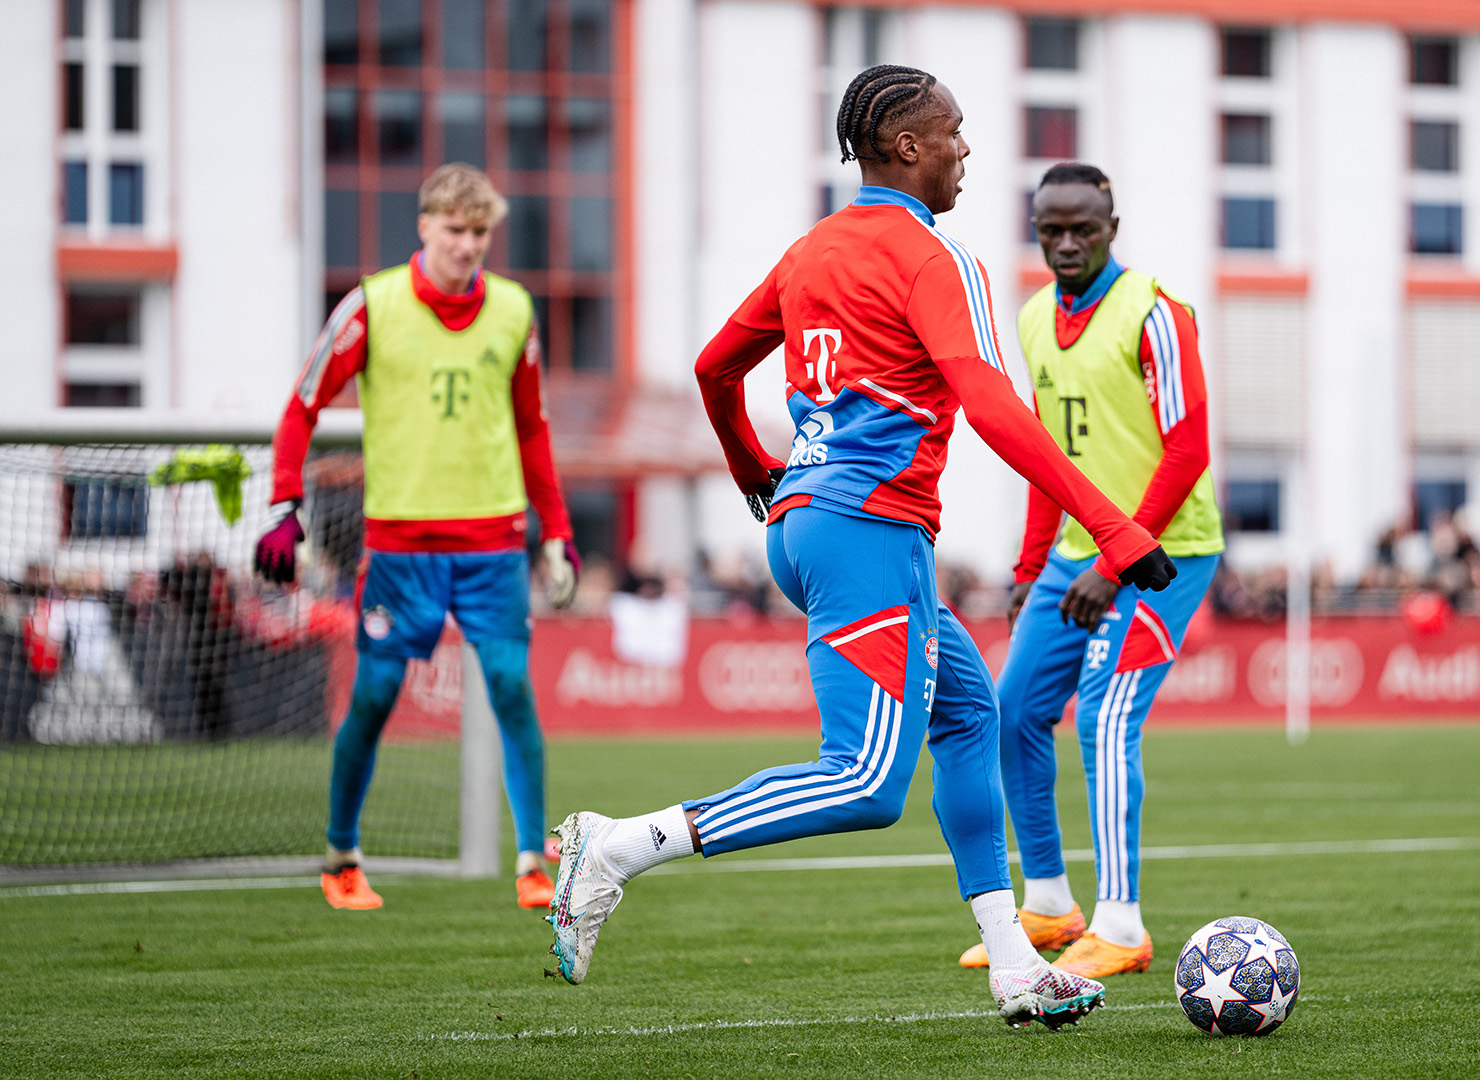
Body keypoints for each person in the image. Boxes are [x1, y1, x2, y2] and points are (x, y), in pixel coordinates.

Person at [543, 65, 1175, 1028]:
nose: (967, 148)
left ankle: (1015, 963)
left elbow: (717, 367)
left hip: (817, 527)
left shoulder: (813, 250)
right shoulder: (936, 257)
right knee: (869, 782)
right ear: (907, 147)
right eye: (955, 132)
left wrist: (755, 466)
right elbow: (995, 406)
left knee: (969, 717)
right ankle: (620, 845)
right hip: (865, 534)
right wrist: (1116, 526)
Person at [256, 164, 580, 912]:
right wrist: (284, 507)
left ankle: (533, 860)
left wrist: (556, 532)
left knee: (508, 687)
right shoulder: (371, 306)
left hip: (493, 544)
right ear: (425, 226)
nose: (469, 246)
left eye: (481, 233)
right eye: (457, 230)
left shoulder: (513, 311)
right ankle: (342, 855)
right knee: (373, 694)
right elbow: (301, 407)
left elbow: (533, 429)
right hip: (400, 548)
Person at [961, 164, 1223, 979]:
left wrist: (1119, 558)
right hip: (1077, 558)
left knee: (1106, 719)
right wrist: (1031, 563)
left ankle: (1121, 924)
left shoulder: (1156, 313)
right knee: (1010, 716)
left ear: (1113, 225)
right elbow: (1049, 458)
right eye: (1052, 230)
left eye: (1084, 229)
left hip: (1164, 556)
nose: (1067, 244)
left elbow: (1188, 450)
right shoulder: (1035, 317)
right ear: (1035, 229)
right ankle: (1048, 905)